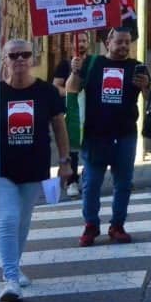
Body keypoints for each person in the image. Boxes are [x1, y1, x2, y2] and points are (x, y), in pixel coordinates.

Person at [0, 40, 71, 302]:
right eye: (13, 55)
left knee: (22, 221)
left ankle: (14, 266)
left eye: (25, 55)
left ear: (33, 59)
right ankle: (10, 279)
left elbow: (59, 127)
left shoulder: (47, 92)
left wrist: (65, 161)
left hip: (34, 166)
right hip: (1, 169)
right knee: (7, 218)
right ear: (4, 59)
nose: (19, 59)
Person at [65, 27, 150, 247]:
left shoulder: (136, 67)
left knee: (123, 183)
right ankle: (91, 225)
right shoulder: (92, 64)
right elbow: (71, 90)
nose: (123, 46)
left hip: (125, 134)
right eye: (119, 41)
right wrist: (75, 71)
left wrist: (146, 87)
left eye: (127, 42)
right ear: (108, 43)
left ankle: (117, 225)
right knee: (92, 183)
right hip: (95, 135)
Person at [52, 31, 91, 198]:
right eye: (78, 41)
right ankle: (72, 181)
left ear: (88, 43)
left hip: (90, 110)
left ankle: (88, 176)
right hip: (72, 110)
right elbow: (56, 86)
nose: (80, 44)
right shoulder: (64, 64)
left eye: (83, 41)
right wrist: (71, 92)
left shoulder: (94, 62)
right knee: (73, 147)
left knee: (90, 144)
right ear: (71, 44)